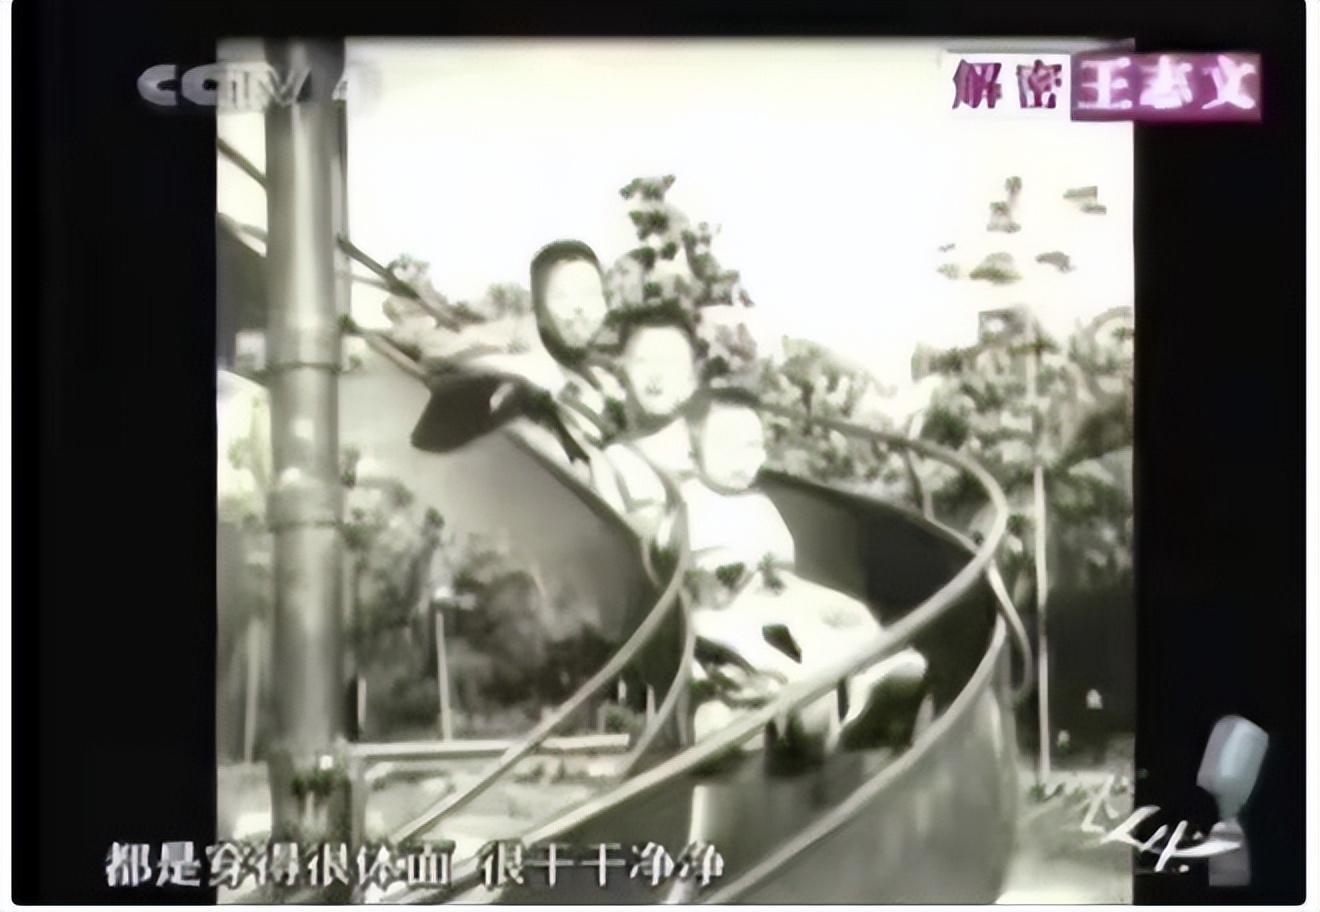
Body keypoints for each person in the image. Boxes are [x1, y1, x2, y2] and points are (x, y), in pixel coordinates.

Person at [680, 386, 929, 758]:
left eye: (752, 446)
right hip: (722, 615)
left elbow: (782, 569)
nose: (743, 459)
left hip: (772, 599)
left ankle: (873, 681)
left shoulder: (759, 505)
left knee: (849, 616)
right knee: (793, 649)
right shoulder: (690, 502)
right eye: (728, 446)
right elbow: (696, 573)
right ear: (694, 450)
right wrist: (730, 574)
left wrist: (820, 600)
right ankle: (822, 711)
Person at [411, 240, 626, 480]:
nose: (579, 308)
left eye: (590, 294)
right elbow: (431, 435)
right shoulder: (523, 361)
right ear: (540, 307)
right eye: (561, 296)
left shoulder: (614, 371)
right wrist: (518, 370)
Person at [596, 308, 703, 537]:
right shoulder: (609, 466)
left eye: (671, 363)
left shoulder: (720, 463)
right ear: (620, 372)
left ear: (692, 380)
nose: (656, 375)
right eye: (643, 361)